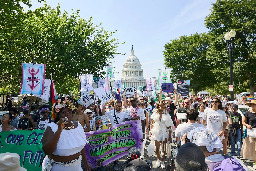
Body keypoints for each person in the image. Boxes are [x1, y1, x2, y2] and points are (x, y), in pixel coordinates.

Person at [42, 106, 90, 171]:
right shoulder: (51, 127)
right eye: (63, 112)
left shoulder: (78, 125)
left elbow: (81, 146)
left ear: (72, 114)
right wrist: (59, 130)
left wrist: (85, 163)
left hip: (76, 167)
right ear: (58, 115)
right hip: (58, 168)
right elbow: (47, 151)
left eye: (69, 112)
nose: (66, 114)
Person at [147, 100, 174, 169]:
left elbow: (169, 126)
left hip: (164, 132)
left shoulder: (166, 115)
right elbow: (152, 124)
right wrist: (150, 132)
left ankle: (162, 160)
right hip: (156, 132)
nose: (160, 107)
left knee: (163, 148)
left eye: (162, 106)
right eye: (159, 106)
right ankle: (158, 159)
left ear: (164, 106)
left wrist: (170, 136)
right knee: (156, 148)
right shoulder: (154, 114)